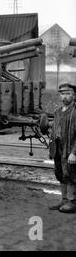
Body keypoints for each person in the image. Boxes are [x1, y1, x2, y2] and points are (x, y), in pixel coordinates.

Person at [48, 83, 76, 213]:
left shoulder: (75, 111)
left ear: (74, 95)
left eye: (68, 93)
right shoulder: (58, 112)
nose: (64, 97)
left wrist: (74, 153)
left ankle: (72, 202)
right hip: (58, 147)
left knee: (70, 174)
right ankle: (64, 200)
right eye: (62, 94)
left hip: (69, 148)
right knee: (60, 173)